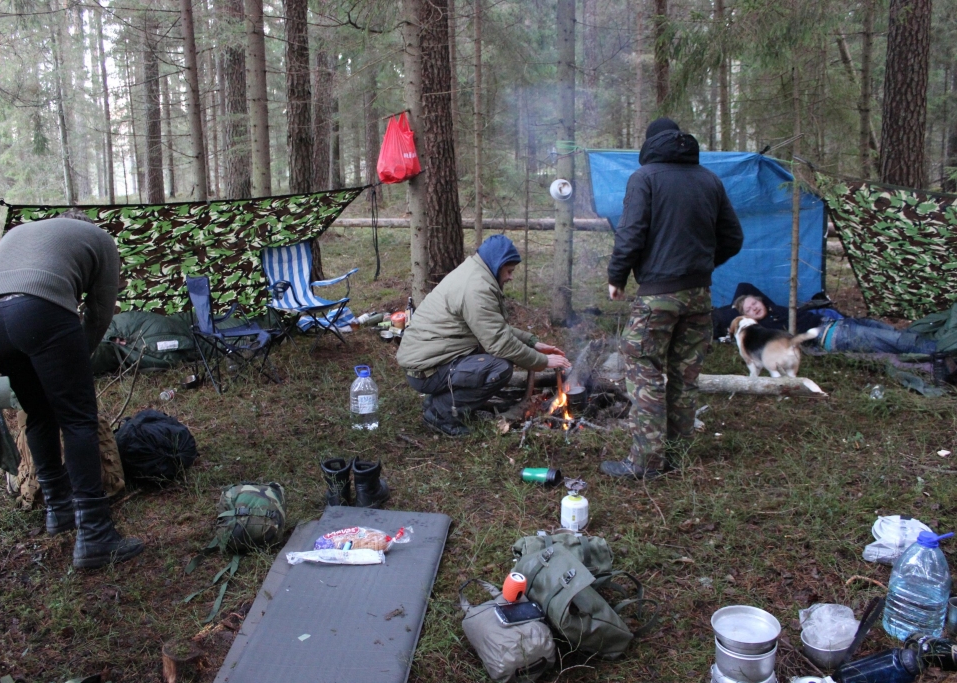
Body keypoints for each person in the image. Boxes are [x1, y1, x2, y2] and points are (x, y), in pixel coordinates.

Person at [0, 212, 144, 569]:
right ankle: (95, 535)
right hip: (39, 307)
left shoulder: (24, 232)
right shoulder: (100, 238)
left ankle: (58, 510)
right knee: (78, 418)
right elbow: (100, 312)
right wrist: (78, 359)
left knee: (37, 411)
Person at [603, 118, 744, 480]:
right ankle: (677, 456)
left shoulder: (645, 178)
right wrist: (702, 266)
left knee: (643, 365)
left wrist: (617, 277)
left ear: (651, 144)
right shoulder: (708, 180)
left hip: (658, 295)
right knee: (685, 374)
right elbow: (733, 237)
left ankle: (647, 463)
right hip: (700, 295)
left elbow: (630, 233)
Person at [397, 234, 571, 437]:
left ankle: (439, 402)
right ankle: (440, 413)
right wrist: (542, 361)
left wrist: (533, 343)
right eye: (509, 271)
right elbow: (500, 343)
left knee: (494, 361)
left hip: (430, 361)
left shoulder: (475, 273)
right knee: (499, 368)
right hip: (426, 370)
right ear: (497, 265)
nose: (510, 277)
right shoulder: (476, 289)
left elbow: (492, 328)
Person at [712, 282, 938, 356]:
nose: (754, 308)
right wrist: (736, 311)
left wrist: (741, 300)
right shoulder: (763, 329)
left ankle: (936, 347)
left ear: (762, 300)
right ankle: (943, 351)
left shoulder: (775, 308)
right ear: (747, 317)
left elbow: (744, 286)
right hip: (833, 335)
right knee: (896, 341)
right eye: (749, 309)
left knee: (890, 332)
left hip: (839, 323)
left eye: (755, 303)